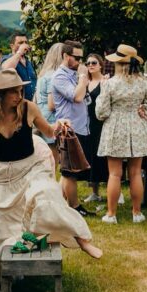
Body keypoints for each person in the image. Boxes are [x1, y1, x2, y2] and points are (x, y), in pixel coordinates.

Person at [0, 69, 101, 289]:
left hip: (31, 169)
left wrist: (59, 126)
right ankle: (5, 285)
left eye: (21, 89)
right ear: (1, 94)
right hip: (4, 177)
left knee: (47, 192)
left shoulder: (28, 108)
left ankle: (81, 239)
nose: (19, 94)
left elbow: (49, 132)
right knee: (3, 232)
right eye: (14, 91)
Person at [96, 44, 147, 224]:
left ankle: (111, 214)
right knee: (136, 173)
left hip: (115, 127)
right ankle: (137, 213)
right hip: (138, 126)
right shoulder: (143, 83)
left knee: (114, 174)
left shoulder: (110, 84)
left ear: (118, 63)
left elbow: (101, 113)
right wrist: (146, 113)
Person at [52, 41, 92, 215]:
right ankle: (75, 208)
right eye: (76, 58)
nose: (80, 62)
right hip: (69, 130)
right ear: (66, 56)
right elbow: (77, 97)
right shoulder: (60, 76)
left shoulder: (73, 74)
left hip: (80, 127)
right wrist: (83, 78)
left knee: (71, 170)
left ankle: (58, 205)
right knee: (70, 172)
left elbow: (85, 98)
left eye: (81, 58)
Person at [83, 53, 110, 203]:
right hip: (87, 123)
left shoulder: (106, 82)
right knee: (91, 156)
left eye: (94, 63)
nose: (90, 65)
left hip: (102, 123)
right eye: (88, 63)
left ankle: (113, 191)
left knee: (104, 156)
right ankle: (94, 191)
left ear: (100, 65)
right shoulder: (85, 83)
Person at [34, 42, 65, 144]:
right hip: (51, 120)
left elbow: (35, 99)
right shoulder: (53, 76)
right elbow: (52, 105)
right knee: (55, 156)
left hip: (42, 117)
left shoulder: (43, 74)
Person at [0, 33, 37, 101]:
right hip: (16, 103)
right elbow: (6, 69)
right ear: (12, 46)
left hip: (31, 104)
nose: (24, 45)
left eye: (26, 42)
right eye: (20, 43)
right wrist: (20, 52)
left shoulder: (29, 62)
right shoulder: (7, 59)